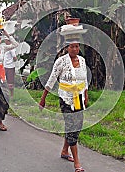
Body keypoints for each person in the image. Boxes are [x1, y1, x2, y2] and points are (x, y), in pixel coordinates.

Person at [39, 40, 88, 172]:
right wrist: (43, 99)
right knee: (72, 127)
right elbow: (51, 80)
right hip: (66, 99)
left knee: (76, 126)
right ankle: (77, 164)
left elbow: (84, 79)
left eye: (77, 46)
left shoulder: (82, 61)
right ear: (67, 48)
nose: (75, 49)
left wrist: (86, 95)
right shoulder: (61, 61)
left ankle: (65, 151)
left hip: (79, 98)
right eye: (72, 47)